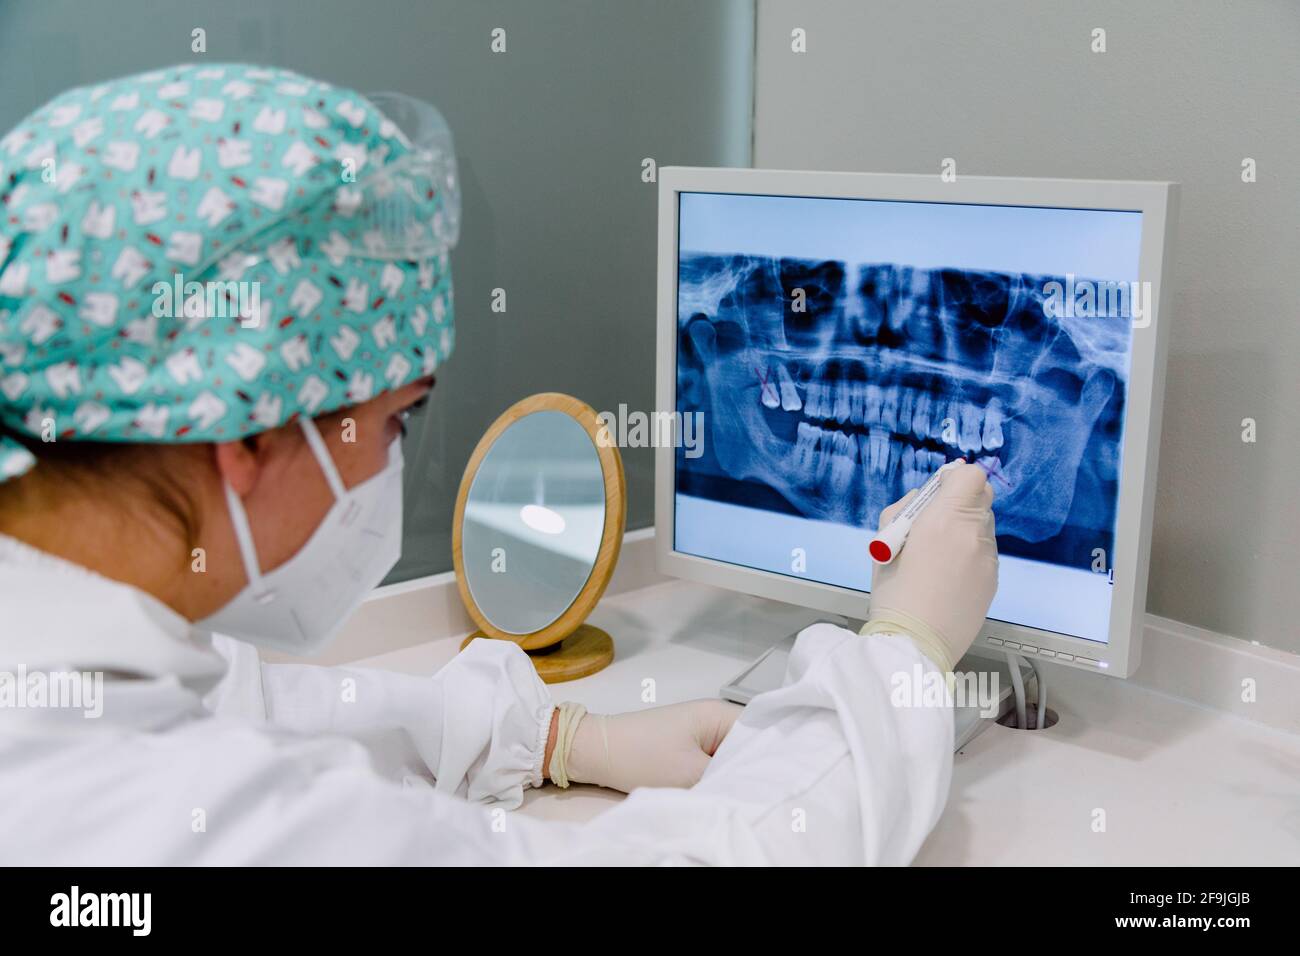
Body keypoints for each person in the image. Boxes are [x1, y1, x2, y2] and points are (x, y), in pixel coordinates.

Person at [0, 64, 998, 865]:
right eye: (393, 422)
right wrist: (902, 653)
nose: (393, 464)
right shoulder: (159, 810)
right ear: (249, 435)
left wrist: (562, 739)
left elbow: (250, 698)